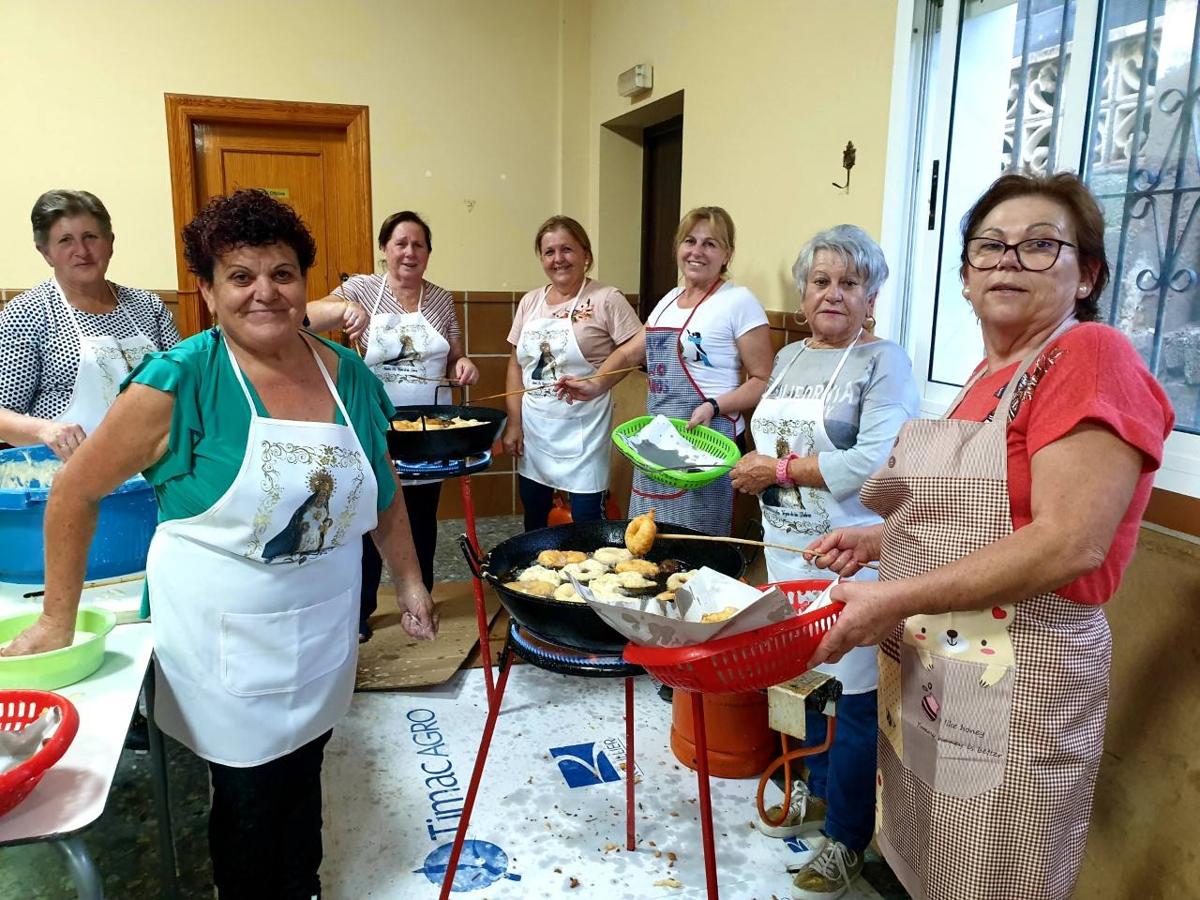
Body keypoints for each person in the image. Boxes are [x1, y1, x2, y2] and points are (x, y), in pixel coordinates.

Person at [2, 190, 438, 899]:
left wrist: (410, 582)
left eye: (283, 273)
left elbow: (381, 489)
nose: (265, 291)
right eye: (240, 275)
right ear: (206, 292)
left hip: (323, 621)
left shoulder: (347, 374)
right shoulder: (181, 381)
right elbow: (74, 490)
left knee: (307, 770)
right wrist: (57, 617)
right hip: (223, 636)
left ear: (305, 283)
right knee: (247, 798)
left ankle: (305, 886)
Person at [807, 173, 1174, 900]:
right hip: (946, 668)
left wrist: (894, 597)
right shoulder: (986, 376)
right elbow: (978, 516)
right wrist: (882, 545)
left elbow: (1068, 542)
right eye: (990, 246)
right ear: (967, 278)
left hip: (1023, 676)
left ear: (1087, 274)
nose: (1008, 260)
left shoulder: (1090, 356)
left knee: (997, 875)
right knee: (934, 862)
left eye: (1041, 246)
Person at [729, 225, 919, 898]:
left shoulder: (884, 362)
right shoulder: (786, 358)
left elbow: (877, 463)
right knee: (806, 676)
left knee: (859, 698)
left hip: (855, 558)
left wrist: (778, 468)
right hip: (786, 548)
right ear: (803, 293)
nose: (833, 294)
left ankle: (846, 838)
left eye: (849, 282)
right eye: (820, 281)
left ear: (872, 296)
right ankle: (812, 789)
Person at [307, 210, 477, 639]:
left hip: (429, 431)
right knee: (367, 518)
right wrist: (344, 309)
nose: (409, 252)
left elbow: (455, 353)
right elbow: (304, 317)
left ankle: (420, 603)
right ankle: (360, 611)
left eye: (418, 244)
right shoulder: (362, 288)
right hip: (375, 427)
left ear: (428, 253)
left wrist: (464, 364)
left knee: (422, 518)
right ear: (384, 250)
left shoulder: (441, 299)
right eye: (400, 243)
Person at [559, 206, 773, 536]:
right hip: (658, 440)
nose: (697, 251)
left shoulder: (738, 301)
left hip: (708, 443)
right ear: (678, 248)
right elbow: (631, 351)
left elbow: (763, 380)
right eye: (690, 241)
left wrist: (714, 406)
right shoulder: (669, 301)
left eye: (710, 244)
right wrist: (592, 385)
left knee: (698, 547)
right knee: (648, 538)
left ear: (727, 254)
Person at [0, 189, 179, 459]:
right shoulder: (28, 313)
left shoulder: (148, 306)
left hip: (158, 468)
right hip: (72, 474)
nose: (81, 251)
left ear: (110, 242)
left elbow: (185, 383)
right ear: (46, 253)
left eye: (91, 237)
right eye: (65, 241)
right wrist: (44, 431)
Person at [502, 216, 641, 531]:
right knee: (534, 515)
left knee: (586, 520)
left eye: (567, 249)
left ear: (585, 254)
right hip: (536, 429)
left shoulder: (607, 299)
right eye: (549, 252)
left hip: (584, 430)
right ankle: (535, 577)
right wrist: (514, 423)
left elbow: (636, 350)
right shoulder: (530, 302)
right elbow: (516, 364)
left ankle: (588, 579)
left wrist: (599, 381)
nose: (558, 259)